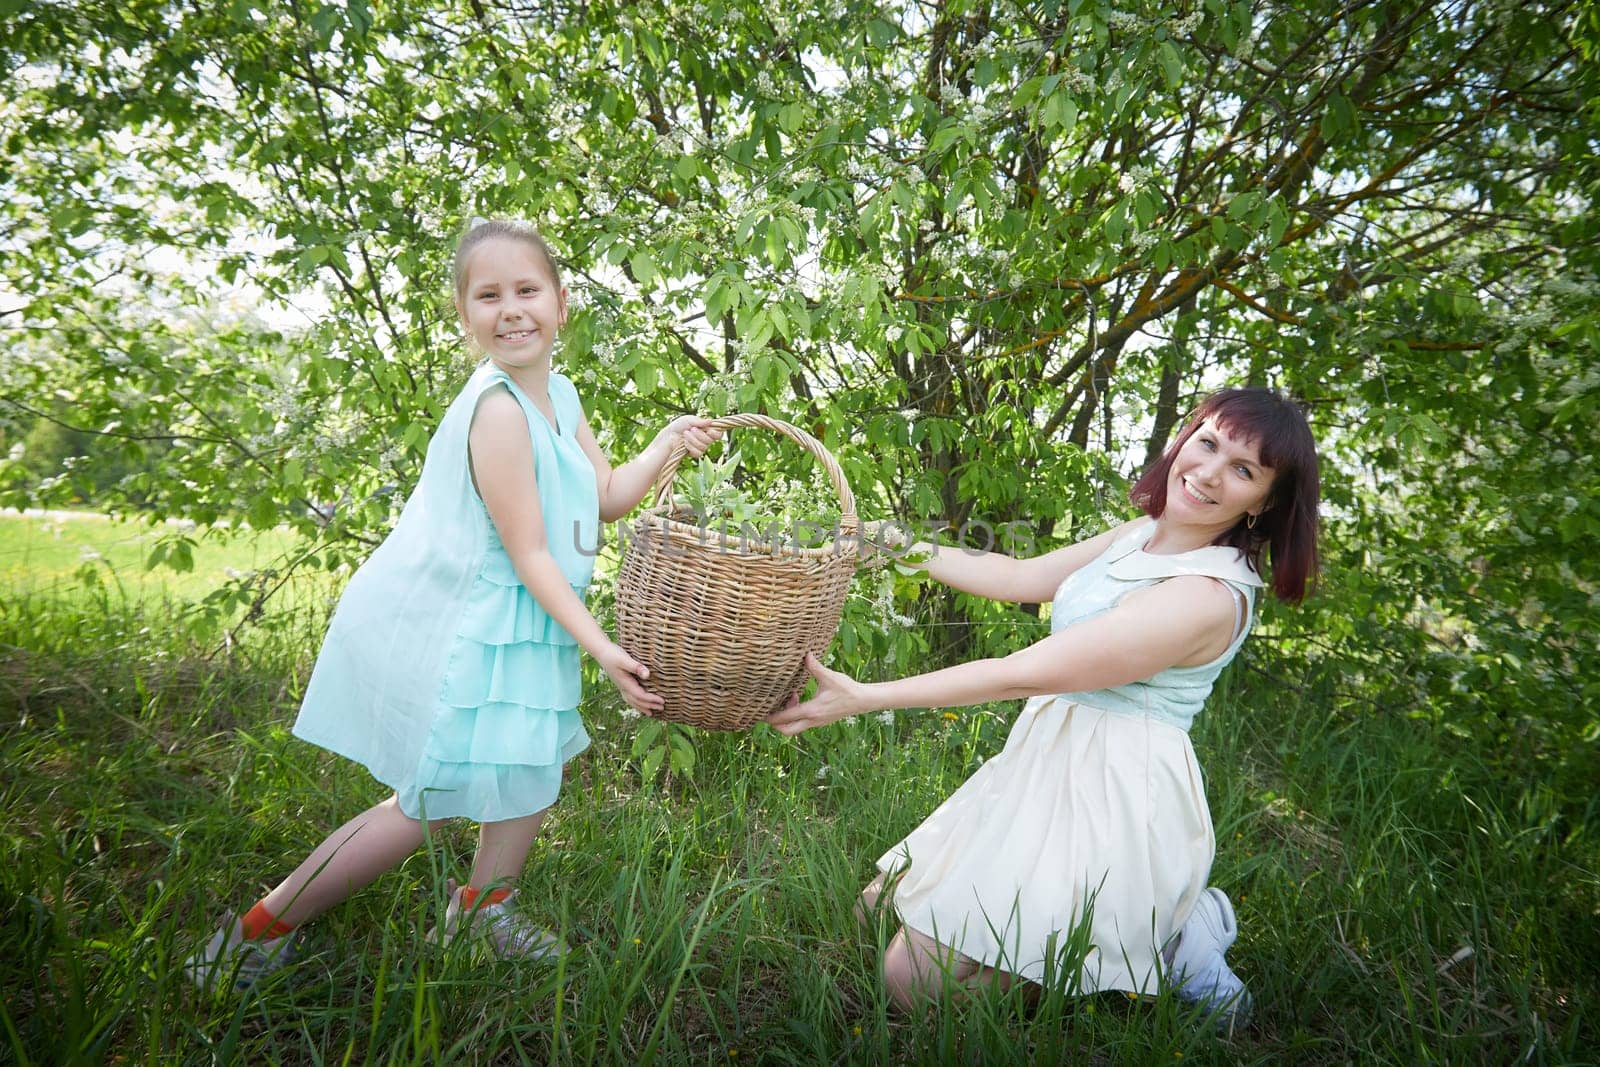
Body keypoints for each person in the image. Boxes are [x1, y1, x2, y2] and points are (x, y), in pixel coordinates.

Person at [187, 218, 721, 990]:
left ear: (561, 303)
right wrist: (604, 648)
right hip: (483, 627)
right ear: (465, 315)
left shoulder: (560, 398)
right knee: (428, 803)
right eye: (488, 295)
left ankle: (480, 912)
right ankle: (258, 927)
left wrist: (668, 440)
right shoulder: (499, 412)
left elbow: (606, 498)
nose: (511, 309)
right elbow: (529, 552)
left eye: (527, 290)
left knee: (531, 772)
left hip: (533, 627)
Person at [768, 388, 1320, 1027]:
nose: (1208, 473)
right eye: (1208, 444)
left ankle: (1168, 943)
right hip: (1048, 760)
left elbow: (1014, 676)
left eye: (1243, 470)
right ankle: (1145, 927)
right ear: (1186, 438)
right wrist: (888, 541)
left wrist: (865, 698)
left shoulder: (1204, 595)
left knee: (912, 986)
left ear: (1267, 502)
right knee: (876, 908)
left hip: (1116, 793)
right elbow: (1017, 577)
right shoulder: (1146, 534)